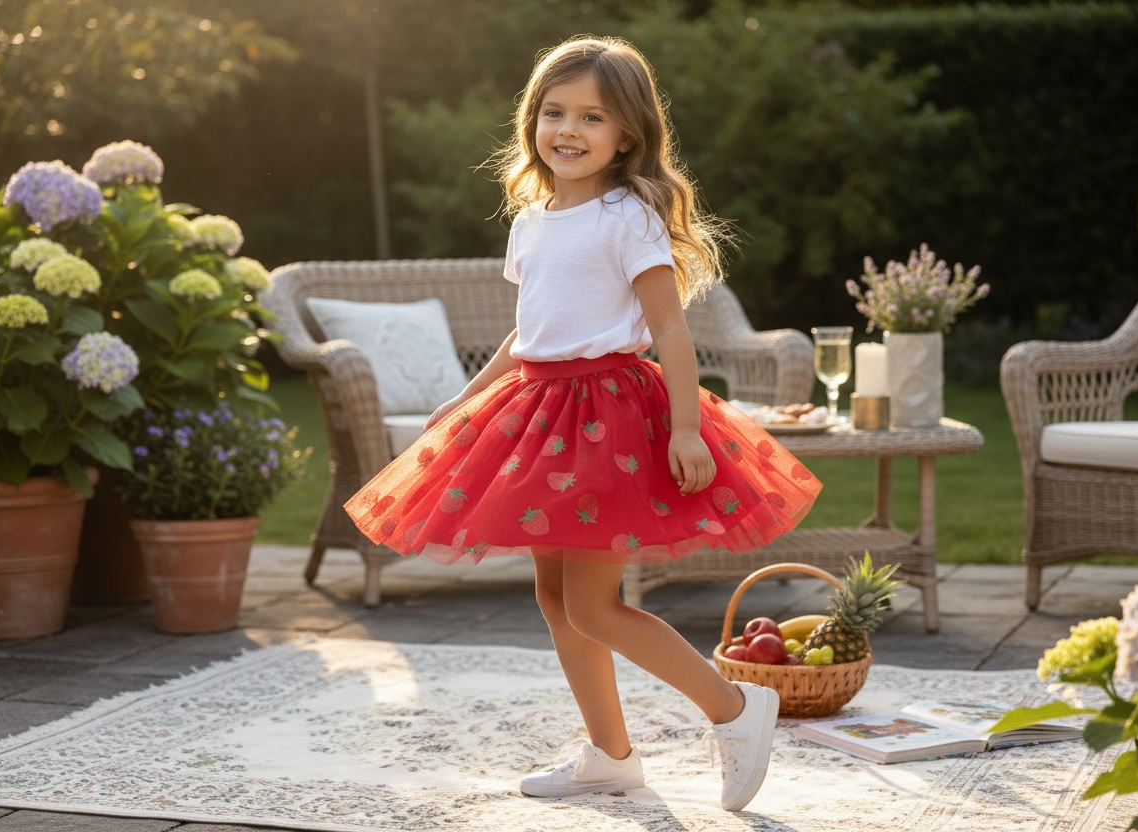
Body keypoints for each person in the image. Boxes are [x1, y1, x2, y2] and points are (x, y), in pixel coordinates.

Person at [344, 35, 822, 812]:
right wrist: (466, 397)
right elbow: (529, 332)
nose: (567, 129)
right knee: (555, 596)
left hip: (606, 418)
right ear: (532, 120)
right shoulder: (532, 219)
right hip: (539, 407)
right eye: (553, 112)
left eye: (591, 116)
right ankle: (610, 753)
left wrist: (684, 426)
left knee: (595, 603)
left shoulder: (626, 214)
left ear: (626, 134)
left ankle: (735, 709)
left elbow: (669, 329)